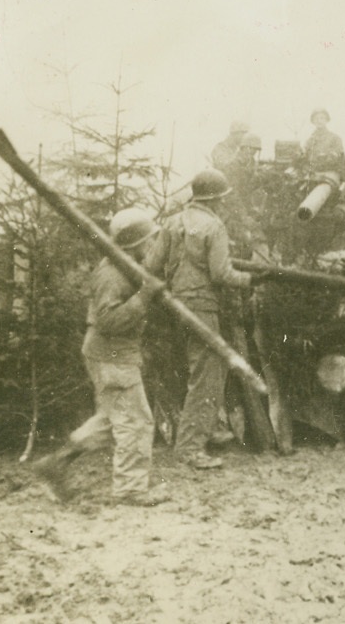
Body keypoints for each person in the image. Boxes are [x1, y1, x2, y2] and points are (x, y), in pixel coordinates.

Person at [31, 209, 168, 505]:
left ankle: (55, 463)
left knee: (111, 419)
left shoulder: (125, 267)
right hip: (113, 355)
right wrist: (144, 297)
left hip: (110, 354)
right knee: (135, 422)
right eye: (149, 241)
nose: (152, 247)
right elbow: (108, 321)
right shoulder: (112, 274)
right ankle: (130, 489)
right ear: (136, 243)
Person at [144, 168, 253, 470]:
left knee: (197, 371)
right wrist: (250, 280)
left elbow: (151, 264)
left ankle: (205, 432)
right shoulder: (213, 226)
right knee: (207, 377)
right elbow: (221, 273)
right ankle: (190, 448)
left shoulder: (173, 221)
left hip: (176, 306)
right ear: (217, 199)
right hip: (203, 307)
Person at [302, 108, 345, 177]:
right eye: (316, 119)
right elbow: (304, 155)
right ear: (313, 121)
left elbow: (339, 155)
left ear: (326, 120)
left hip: (330, 173)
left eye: (322, 118)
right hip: (312, 174)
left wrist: (326, 157)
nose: (319, 121)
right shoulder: (309, 141)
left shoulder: (335, 138)